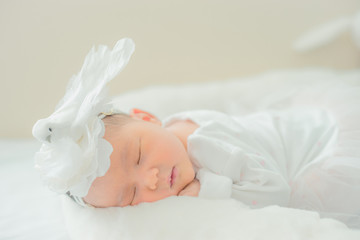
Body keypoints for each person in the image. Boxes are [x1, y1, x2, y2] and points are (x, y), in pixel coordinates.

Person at [32, 38, 360, 228]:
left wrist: (207, 191)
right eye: (131, 196)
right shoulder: (171, 152)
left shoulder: (203, 144)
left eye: (140, 156)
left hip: (323, 141)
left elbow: (277, 192)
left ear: (147, 117)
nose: (150, 180)